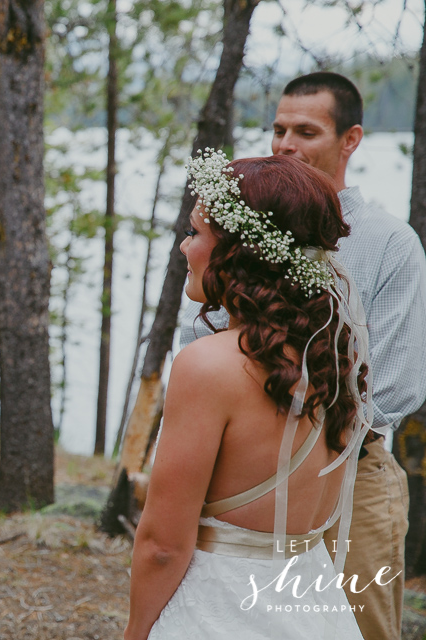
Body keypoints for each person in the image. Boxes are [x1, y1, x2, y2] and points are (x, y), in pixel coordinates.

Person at [180, 71, 426, 639]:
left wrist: (294, 431)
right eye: (278, 128)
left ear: (351, 139)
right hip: (237, 485)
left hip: (353, 477)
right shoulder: (247, 225)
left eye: (306, 130)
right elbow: (197, 337)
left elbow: (396, 381)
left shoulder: (389, 244)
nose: (285, 144)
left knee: (359, 628)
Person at [126, 152, 370, 640]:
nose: (183, 247)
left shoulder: (208, 366)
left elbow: (162, 546)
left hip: (224, 611)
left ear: (239, 251)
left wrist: (134, 633)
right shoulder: (334, 354)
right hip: (314, 604)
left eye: (195, 233)